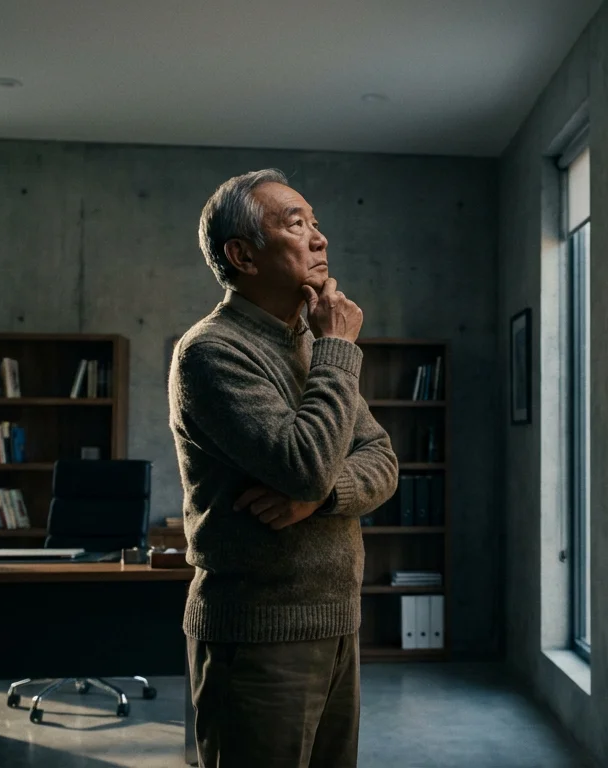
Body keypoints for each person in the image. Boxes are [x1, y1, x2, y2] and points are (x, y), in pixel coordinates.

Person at [168, 168, 399, 767]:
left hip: (337, 621)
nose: (320, 238)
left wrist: (323, 495)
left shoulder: (311, 343)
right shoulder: (212, 352)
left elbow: (381, 459)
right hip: (257, 633)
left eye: (315, 223)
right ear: (242, 255)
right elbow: (303, 467)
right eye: (296, 224)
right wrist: (339, 349)